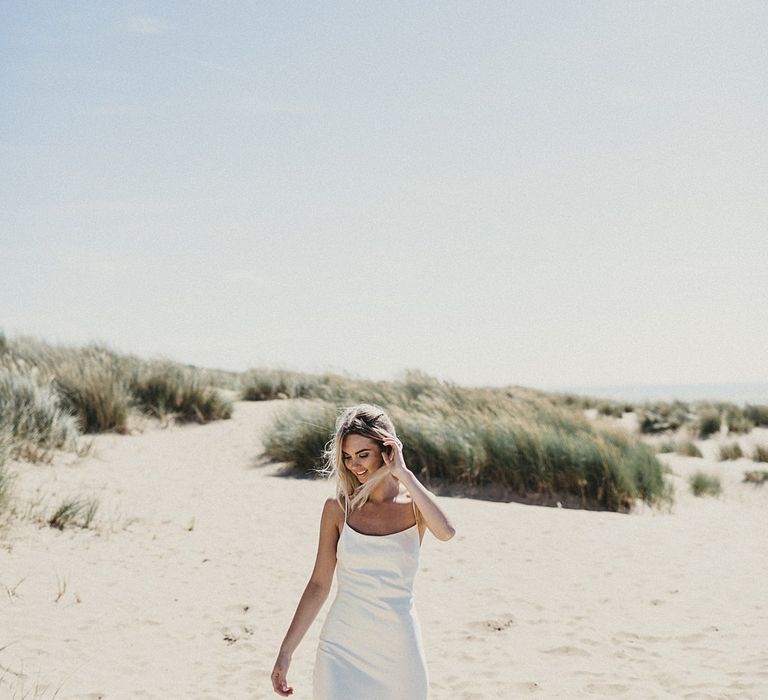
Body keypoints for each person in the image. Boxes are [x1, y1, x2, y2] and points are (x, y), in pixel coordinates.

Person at [271, 403, 456, 699]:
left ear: (387, 450)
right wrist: (286, 651)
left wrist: (404, 473)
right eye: (346, 457)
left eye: (363, 454)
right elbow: (319, 584)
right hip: (341, 650)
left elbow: (446, 532)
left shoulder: (416, 506)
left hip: (399, 651)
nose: (354, 465)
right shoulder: (337, 509)